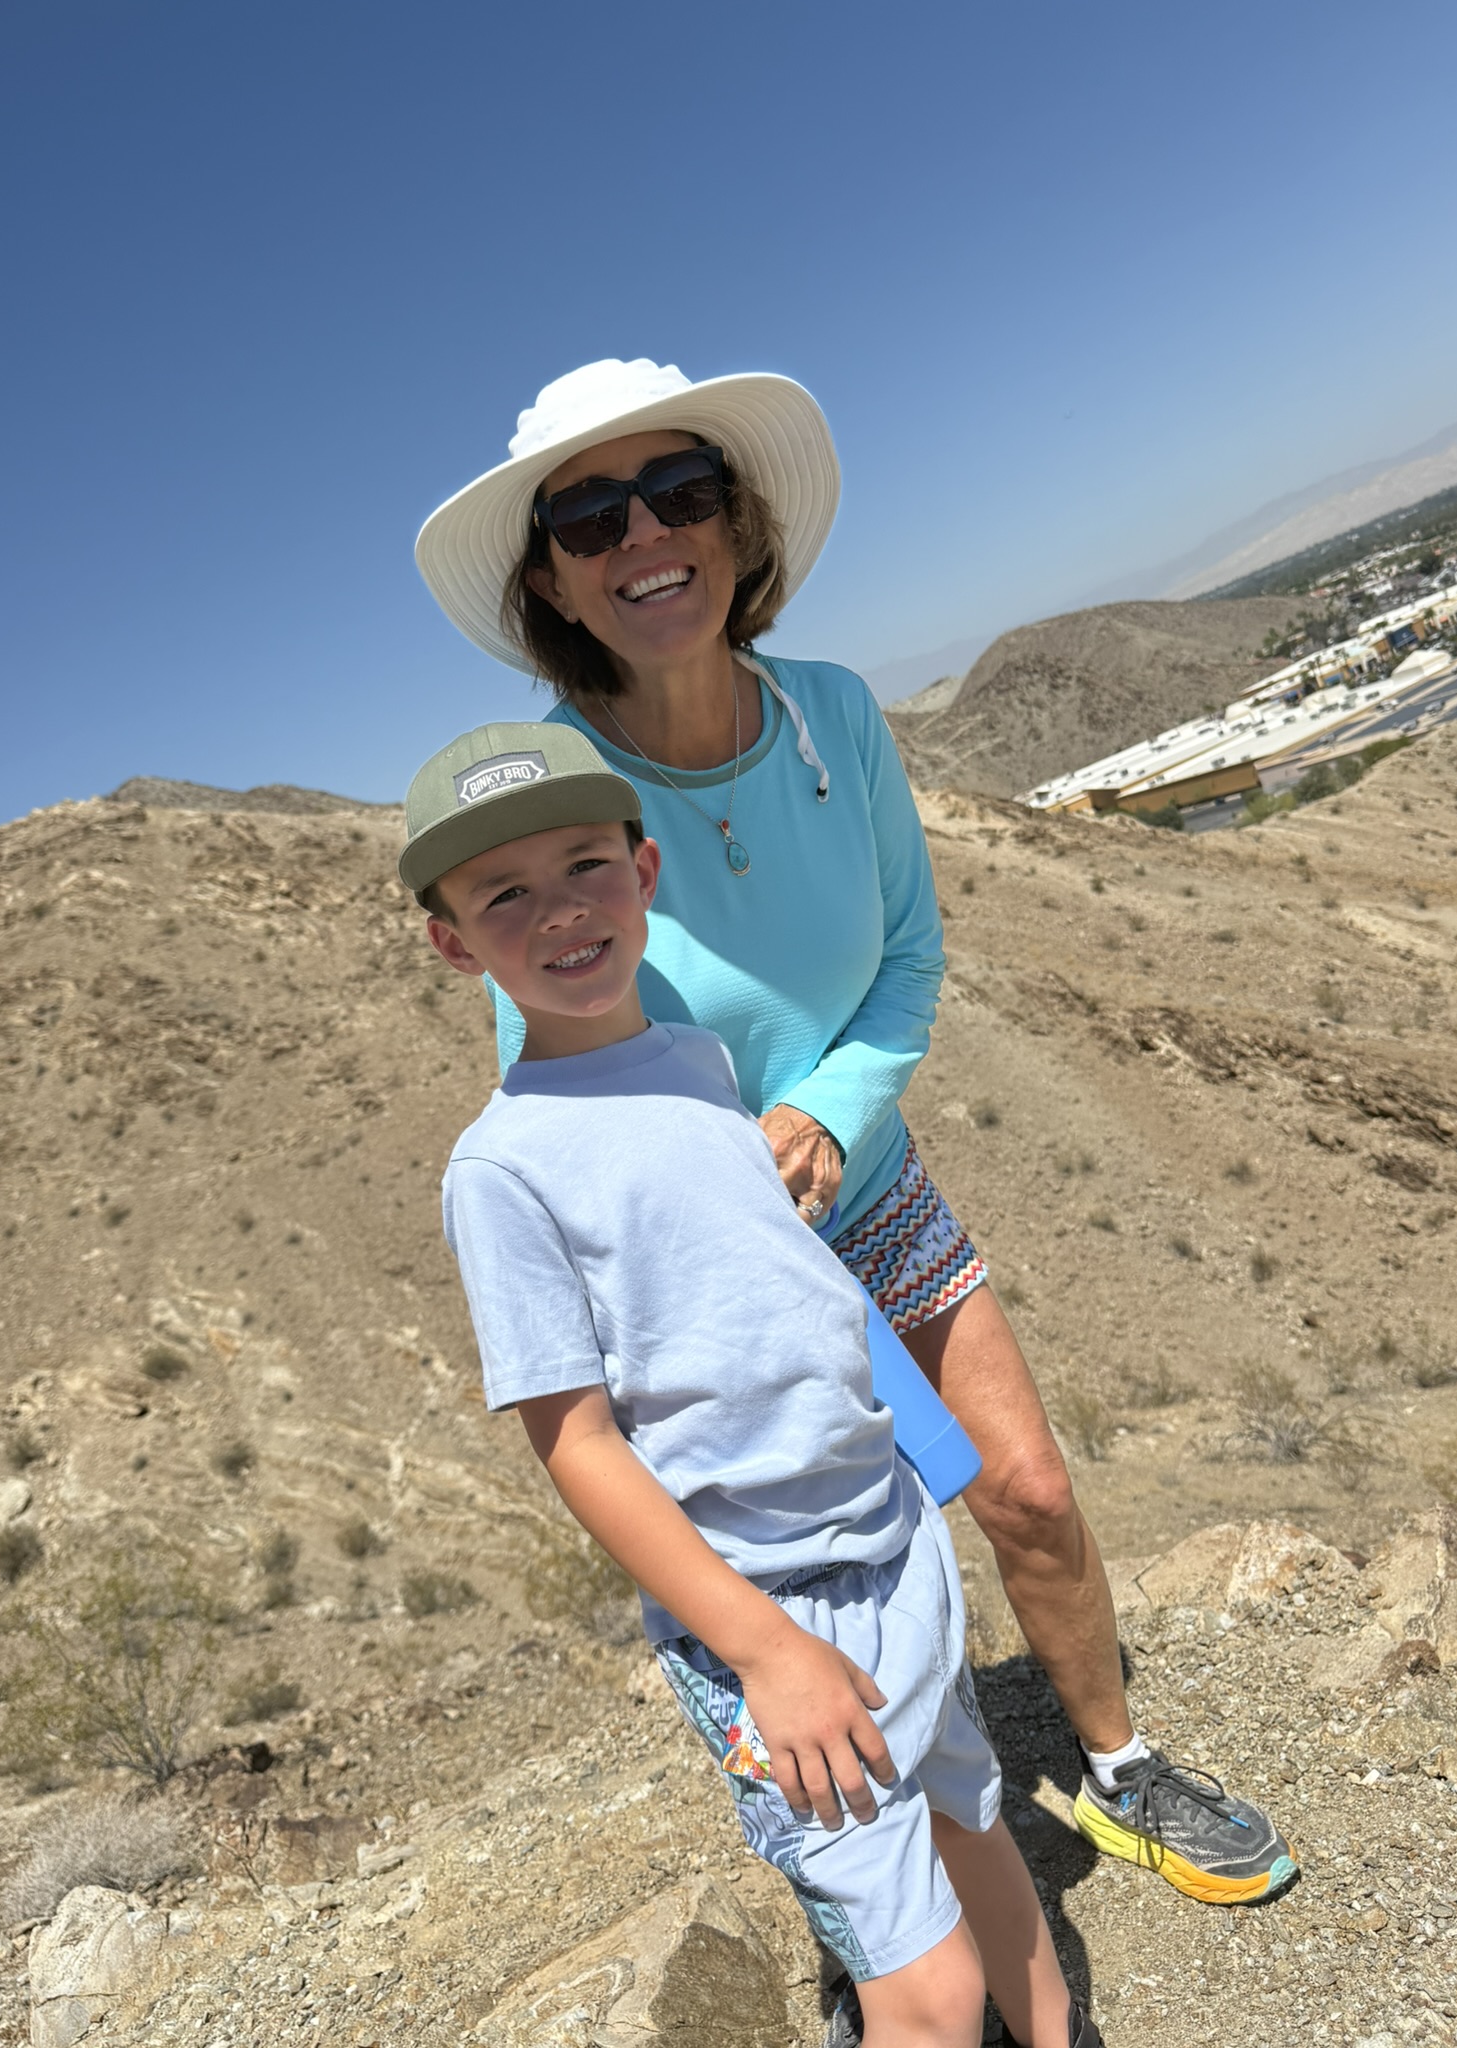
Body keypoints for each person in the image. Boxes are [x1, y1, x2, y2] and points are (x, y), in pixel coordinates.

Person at [413, 359, 1295, 1925]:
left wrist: (827, 1108)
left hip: (868, 1188)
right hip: (709, 1275)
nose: (645, 536)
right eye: (591, 516)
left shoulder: (832, 719)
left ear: (738, 526)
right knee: (807, 1574)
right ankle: (875, 1901)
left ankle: (1119, 1766)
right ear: (554, 576)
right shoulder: (556, 803)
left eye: (680, 493)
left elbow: (906, 966)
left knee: (1021, 1487)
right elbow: (557, 1097)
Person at [399, 719, 1103, 2048]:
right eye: (503, 894)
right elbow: (580, 1445)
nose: (560, 911)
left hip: (890, 1544)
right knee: (929, 1992)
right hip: (769, 1613)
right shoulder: (502, 1171)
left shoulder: (694, 1063)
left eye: (584, 865)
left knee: (974, 1825)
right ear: (454, 942)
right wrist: (767, 1653)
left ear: (647, 870)